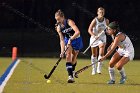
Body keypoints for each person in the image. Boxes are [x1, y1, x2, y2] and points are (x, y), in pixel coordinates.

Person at [55, 9, 83, 83]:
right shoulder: (58, 27)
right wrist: (62, 51)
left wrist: (72, 39)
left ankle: (72, 70)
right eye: (56, 20)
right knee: (68, 55)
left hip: (77, 39)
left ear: (62, 17)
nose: (57, 21)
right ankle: (70, 76)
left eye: (58, 19)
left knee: (74, 58)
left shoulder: (69, 22)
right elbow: (61, 40)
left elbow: (77, 32)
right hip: (67, 40)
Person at [88, 7, 109, 75]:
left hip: (102, 37)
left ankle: (99, 68)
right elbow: (89, 30)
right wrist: (94, 36)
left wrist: (108, 32)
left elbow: (108, 30)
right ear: (97, 13)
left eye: (102, 12)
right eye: (100, 12)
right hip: (94, 37)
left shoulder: (106, 20)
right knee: (94, 54)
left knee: (101, 52)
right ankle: (93, 69)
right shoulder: (95, 20)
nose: (101, 14)